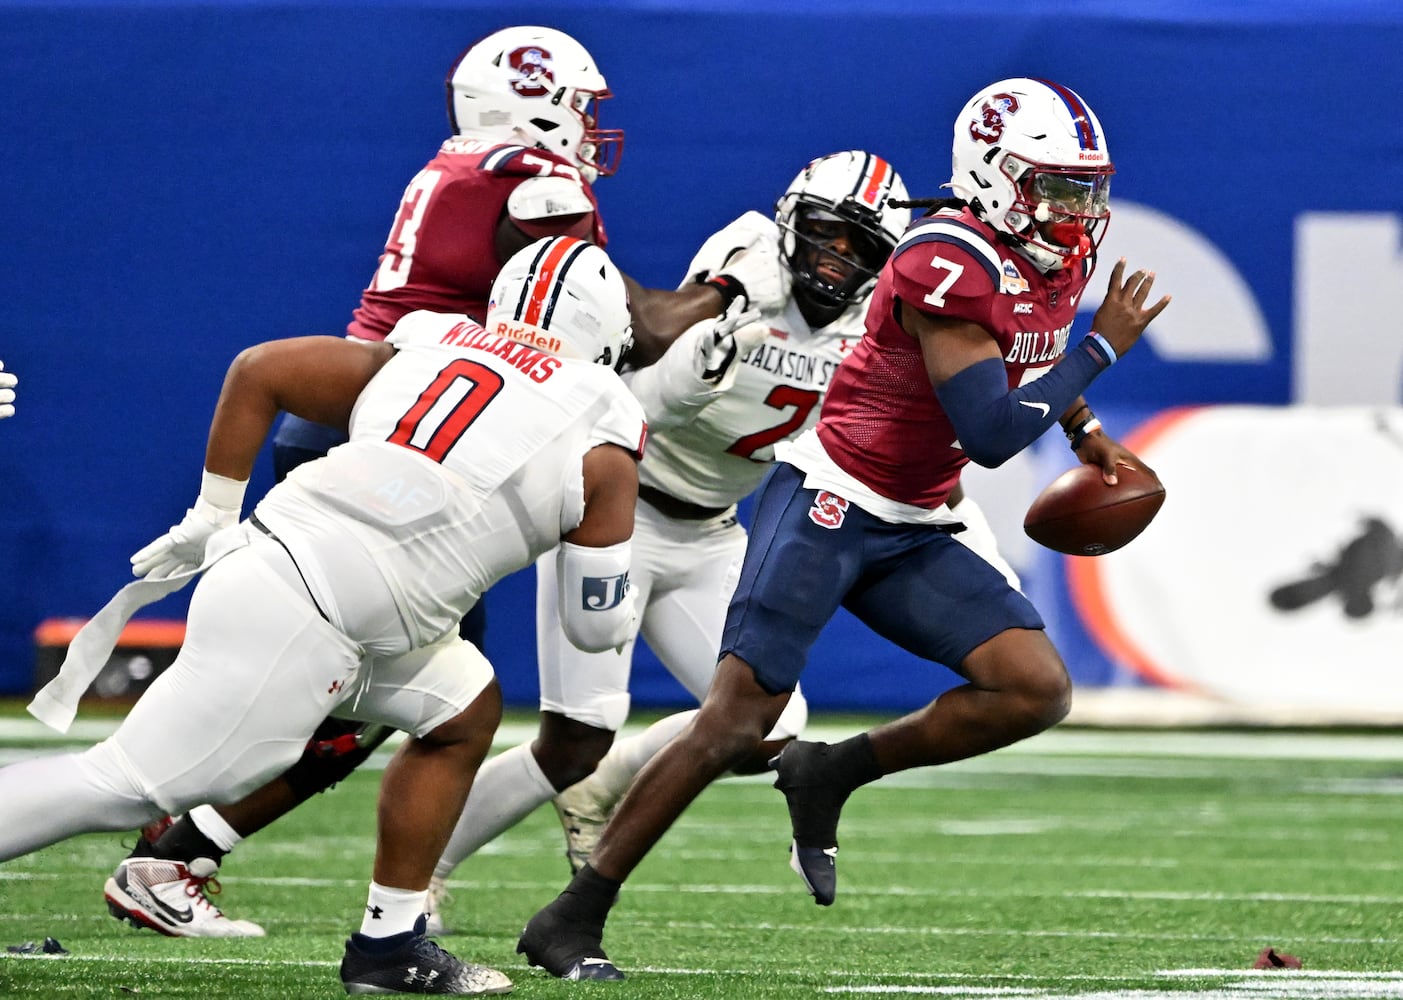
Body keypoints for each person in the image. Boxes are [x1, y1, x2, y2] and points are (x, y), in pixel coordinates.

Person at [99, 23, 768, 939]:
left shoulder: (457, 166)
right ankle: (184, 856)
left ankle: (181, 848)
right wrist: (727, 287)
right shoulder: (533, 177)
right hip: (408, 444)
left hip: (381, 418)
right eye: (578, 104)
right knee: (423, 698)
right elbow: (637, 324)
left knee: (395, 695)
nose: (587, 125)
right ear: (529, 101)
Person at [516, 77, 1172, 980]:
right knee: (733, 723)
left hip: (916, 514)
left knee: (1031, 689)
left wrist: (1087, 430)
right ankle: (571, 917)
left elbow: (1029, 350)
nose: (1077, 211)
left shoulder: (1041, 259)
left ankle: (834, 772)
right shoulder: (944, 258)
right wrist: (1104, 347)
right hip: (833, 497)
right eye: (1056, 187)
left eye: (1083, 188)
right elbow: (988, 432)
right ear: (994, 176)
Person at [10, 235, 663, 995]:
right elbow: (593, 628)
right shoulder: (602, 431)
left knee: (461, 707)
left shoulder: (432, 340)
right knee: (123, 783)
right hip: (307, 607)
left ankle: (389, 947)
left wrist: (212, 515)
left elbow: (261, 370)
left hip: (310, 577)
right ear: (605, 329)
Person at [423, 151, 950, 927]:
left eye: (860, 245)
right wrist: (681, 376)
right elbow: (635, 402)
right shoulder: (747, 266)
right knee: (575, 734)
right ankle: (420, 875)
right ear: (790, 223)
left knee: (772, 720)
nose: (837, 256)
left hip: (711, 532)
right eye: (825, 233)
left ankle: (605, 784)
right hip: (617, 513)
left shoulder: (875, 320)